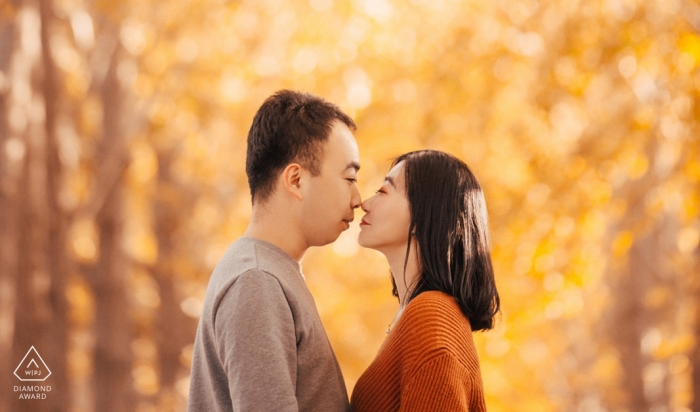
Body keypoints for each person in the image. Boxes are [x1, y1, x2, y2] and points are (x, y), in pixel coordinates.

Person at [188, 89, 362, 412]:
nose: (358, 199)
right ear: (295, 180)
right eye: (349, 178)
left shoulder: (270, 272)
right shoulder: (256, 281)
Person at [352, 150, 499, 412]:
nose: (365, 203)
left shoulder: (432, 317)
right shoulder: (418, 314)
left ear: (423, 216)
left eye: (383, 191)